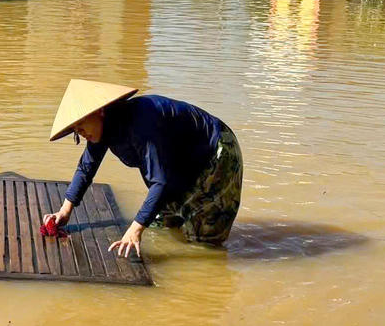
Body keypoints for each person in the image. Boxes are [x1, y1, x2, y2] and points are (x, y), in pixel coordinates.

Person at [42, 80, 243, 257]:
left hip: (217, 152)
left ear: (99, 111)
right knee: (162, 226)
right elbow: (86, 168)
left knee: (203, 241)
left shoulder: (141, 123)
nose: (81, 132)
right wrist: (64, 211)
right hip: (181, 162)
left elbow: (160, 182)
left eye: (81, 125)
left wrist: (135, 229)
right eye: (76, 131)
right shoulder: (101, 129)